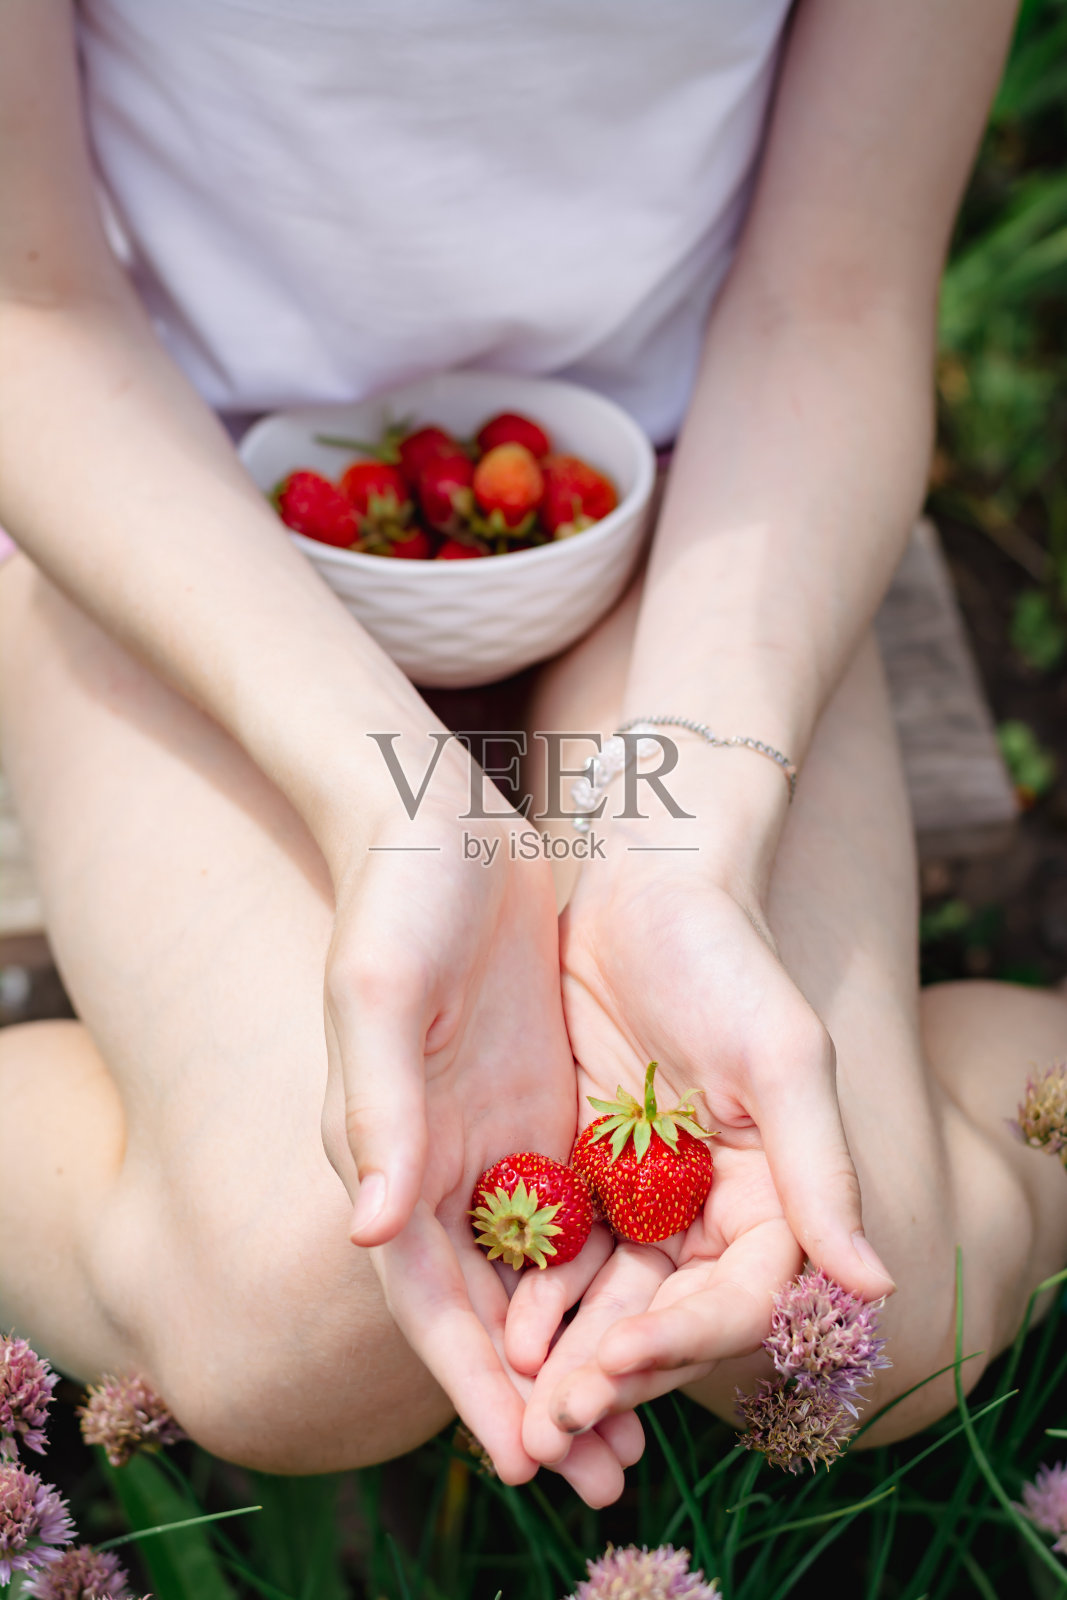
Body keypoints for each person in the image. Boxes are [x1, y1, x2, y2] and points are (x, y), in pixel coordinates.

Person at [1, 0, 1065, 1509]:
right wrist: (395, 803)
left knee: (850, 1321)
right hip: (168, 518)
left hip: (706, 505)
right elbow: (26, 307)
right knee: (301, 1300)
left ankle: (1015, 1086)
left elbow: (834, 297)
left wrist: (678, 845)